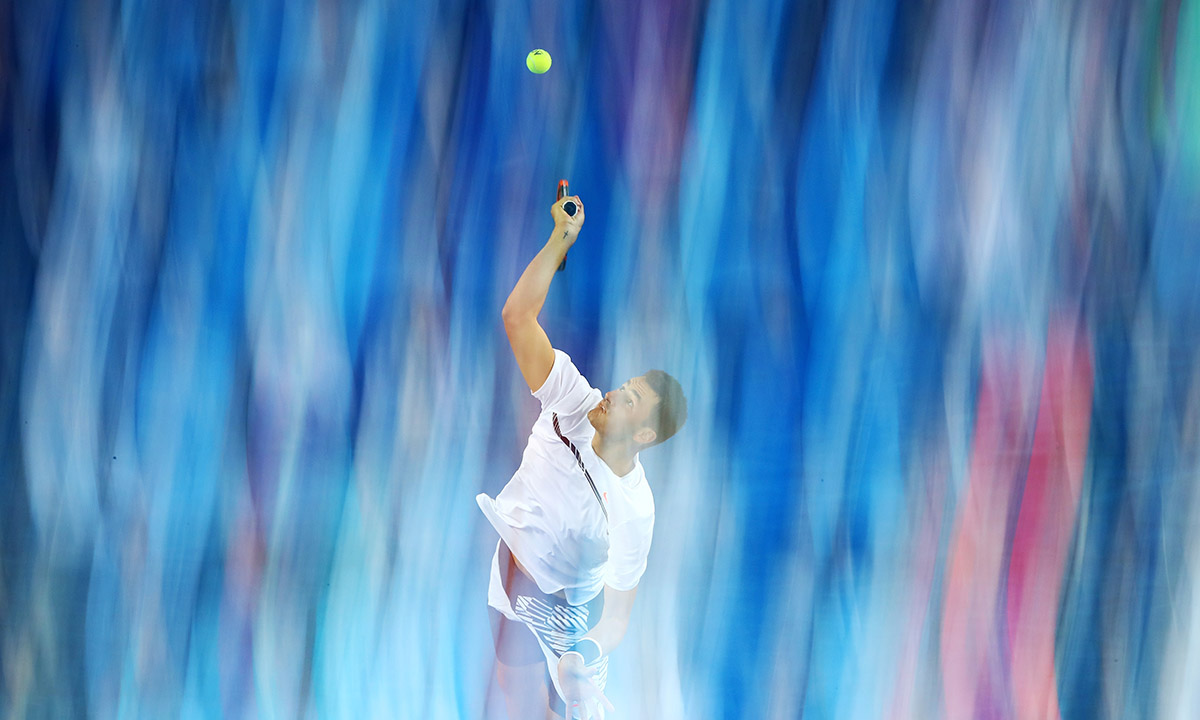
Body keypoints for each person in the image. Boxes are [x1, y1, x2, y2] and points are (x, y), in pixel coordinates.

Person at [477, 194, 687, 719]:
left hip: (567, 619)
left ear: (641, 436)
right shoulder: (574, 398)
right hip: (508, 584)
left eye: (630, 401)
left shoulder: (635, 512)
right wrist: (560, 240)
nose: (614, 394)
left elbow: (616, 619)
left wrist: (582, 655)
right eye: (626, 386)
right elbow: (517, 317)